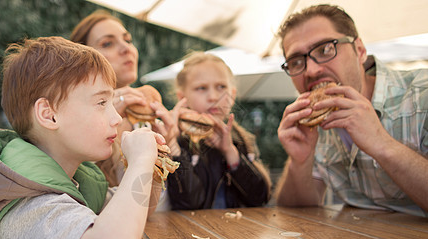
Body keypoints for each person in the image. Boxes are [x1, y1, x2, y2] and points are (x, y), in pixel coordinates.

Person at [0, 36, 165, 239]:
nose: (116, 118)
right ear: (49, 114)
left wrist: (153, 167)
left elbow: (131, 213)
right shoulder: (25, 206)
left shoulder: (76, 180)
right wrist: (139, 163)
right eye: (102, 103)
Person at [274, 4, 428, 217]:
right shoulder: (313, 123)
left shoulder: (422, 94)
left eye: (325, 49)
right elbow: (294, 213)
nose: (311, 70)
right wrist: (300, 162)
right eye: (296, 61)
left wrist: (382, 144)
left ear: (360, 50)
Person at [70, 10, 177, 187]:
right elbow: (71, 186)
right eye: (108, 43)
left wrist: (169, 146)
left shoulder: (146, 112)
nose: (126, 48)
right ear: (83, 58)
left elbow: (169, 197)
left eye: (127, 40)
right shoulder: (73, 116)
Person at [167, 52, 271, 210]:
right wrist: (174, 148)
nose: (213, 97)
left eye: (221, 87)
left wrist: (230, 152)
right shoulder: (176, 140)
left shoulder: (241, 140)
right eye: (201, 88)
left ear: (233, 94)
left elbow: (260, 197)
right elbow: (188, 203)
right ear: (182, 97)